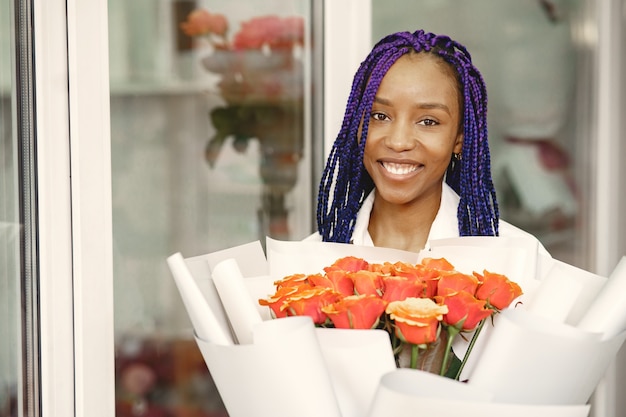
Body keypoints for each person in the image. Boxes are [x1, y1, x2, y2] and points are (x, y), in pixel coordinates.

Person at [307, 30, 546, 254]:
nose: (399, 142)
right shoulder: (310, 263)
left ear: (459, 139)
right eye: (380, 116)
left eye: (428, 122)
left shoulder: (515, 259)